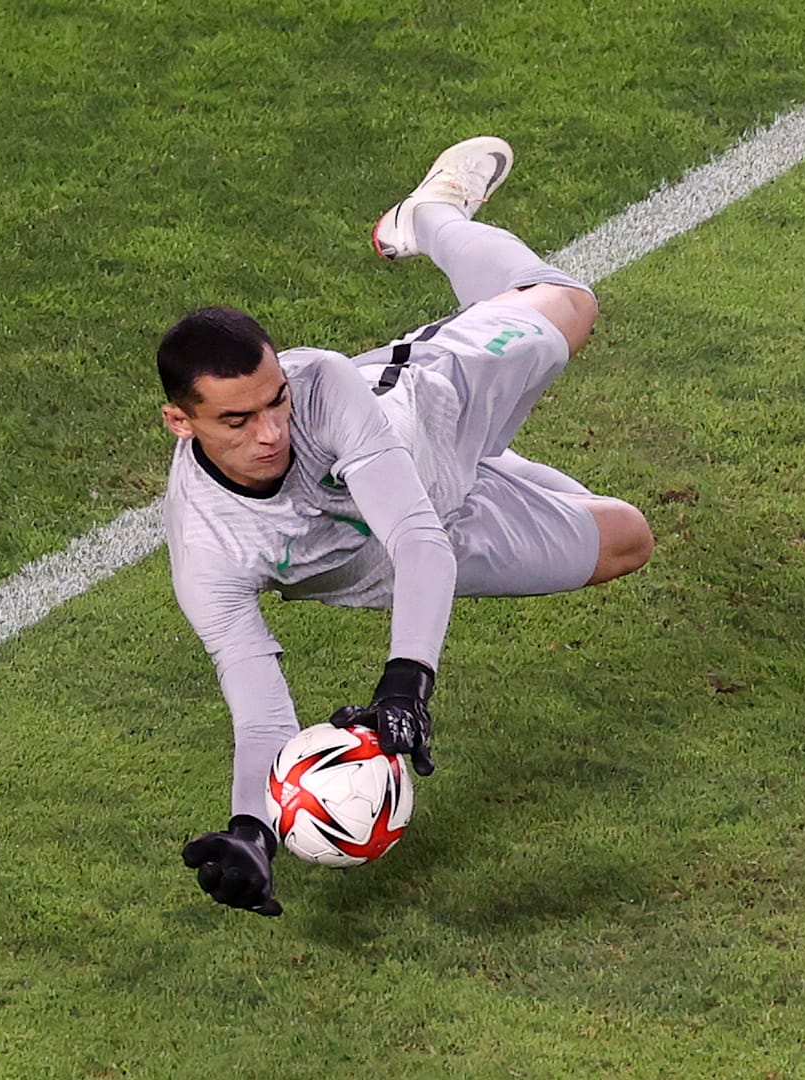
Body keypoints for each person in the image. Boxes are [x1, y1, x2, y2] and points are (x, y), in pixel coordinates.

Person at [161, 138, 654, 916]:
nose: (271, 432)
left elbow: (417, 539)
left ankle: (431, 217)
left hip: (431, 416)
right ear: (180, 423)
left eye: (274, 400)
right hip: (417, 546)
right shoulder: (208, 549)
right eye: (237, 420)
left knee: (571, 305)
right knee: (629, 538)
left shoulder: (323, 385)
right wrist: (252, 830)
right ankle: (501, 473)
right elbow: (261, 712)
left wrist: (406, 682)